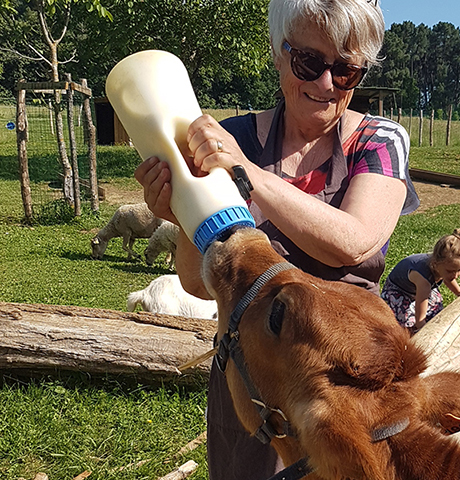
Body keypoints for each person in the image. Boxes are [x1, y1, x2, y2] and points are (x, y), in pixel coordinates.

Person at [134, 0, 418, 477]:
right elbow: (197, 281)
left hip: (344, 387)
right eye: (310, 62)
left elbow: (354, 240)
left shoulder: (379, 140)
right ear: (278, 53)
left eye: (346, 70)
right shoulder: (233, 136)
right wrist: (179, 215)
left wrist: (248, 175)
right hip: (248, 375)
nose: (327, 83)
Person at [381, 228, 460, 333]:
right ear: (436, 264)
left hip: (419, 291)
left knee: (436, 311)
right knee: (407, 324)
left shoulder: (443, 269)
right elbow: (420, 315)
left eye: (459, 270)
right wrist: (424, 330)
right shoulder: (423, 279)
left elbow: (448, 280)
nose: (455, 275)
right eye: (450, 271)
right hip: (399, 293)